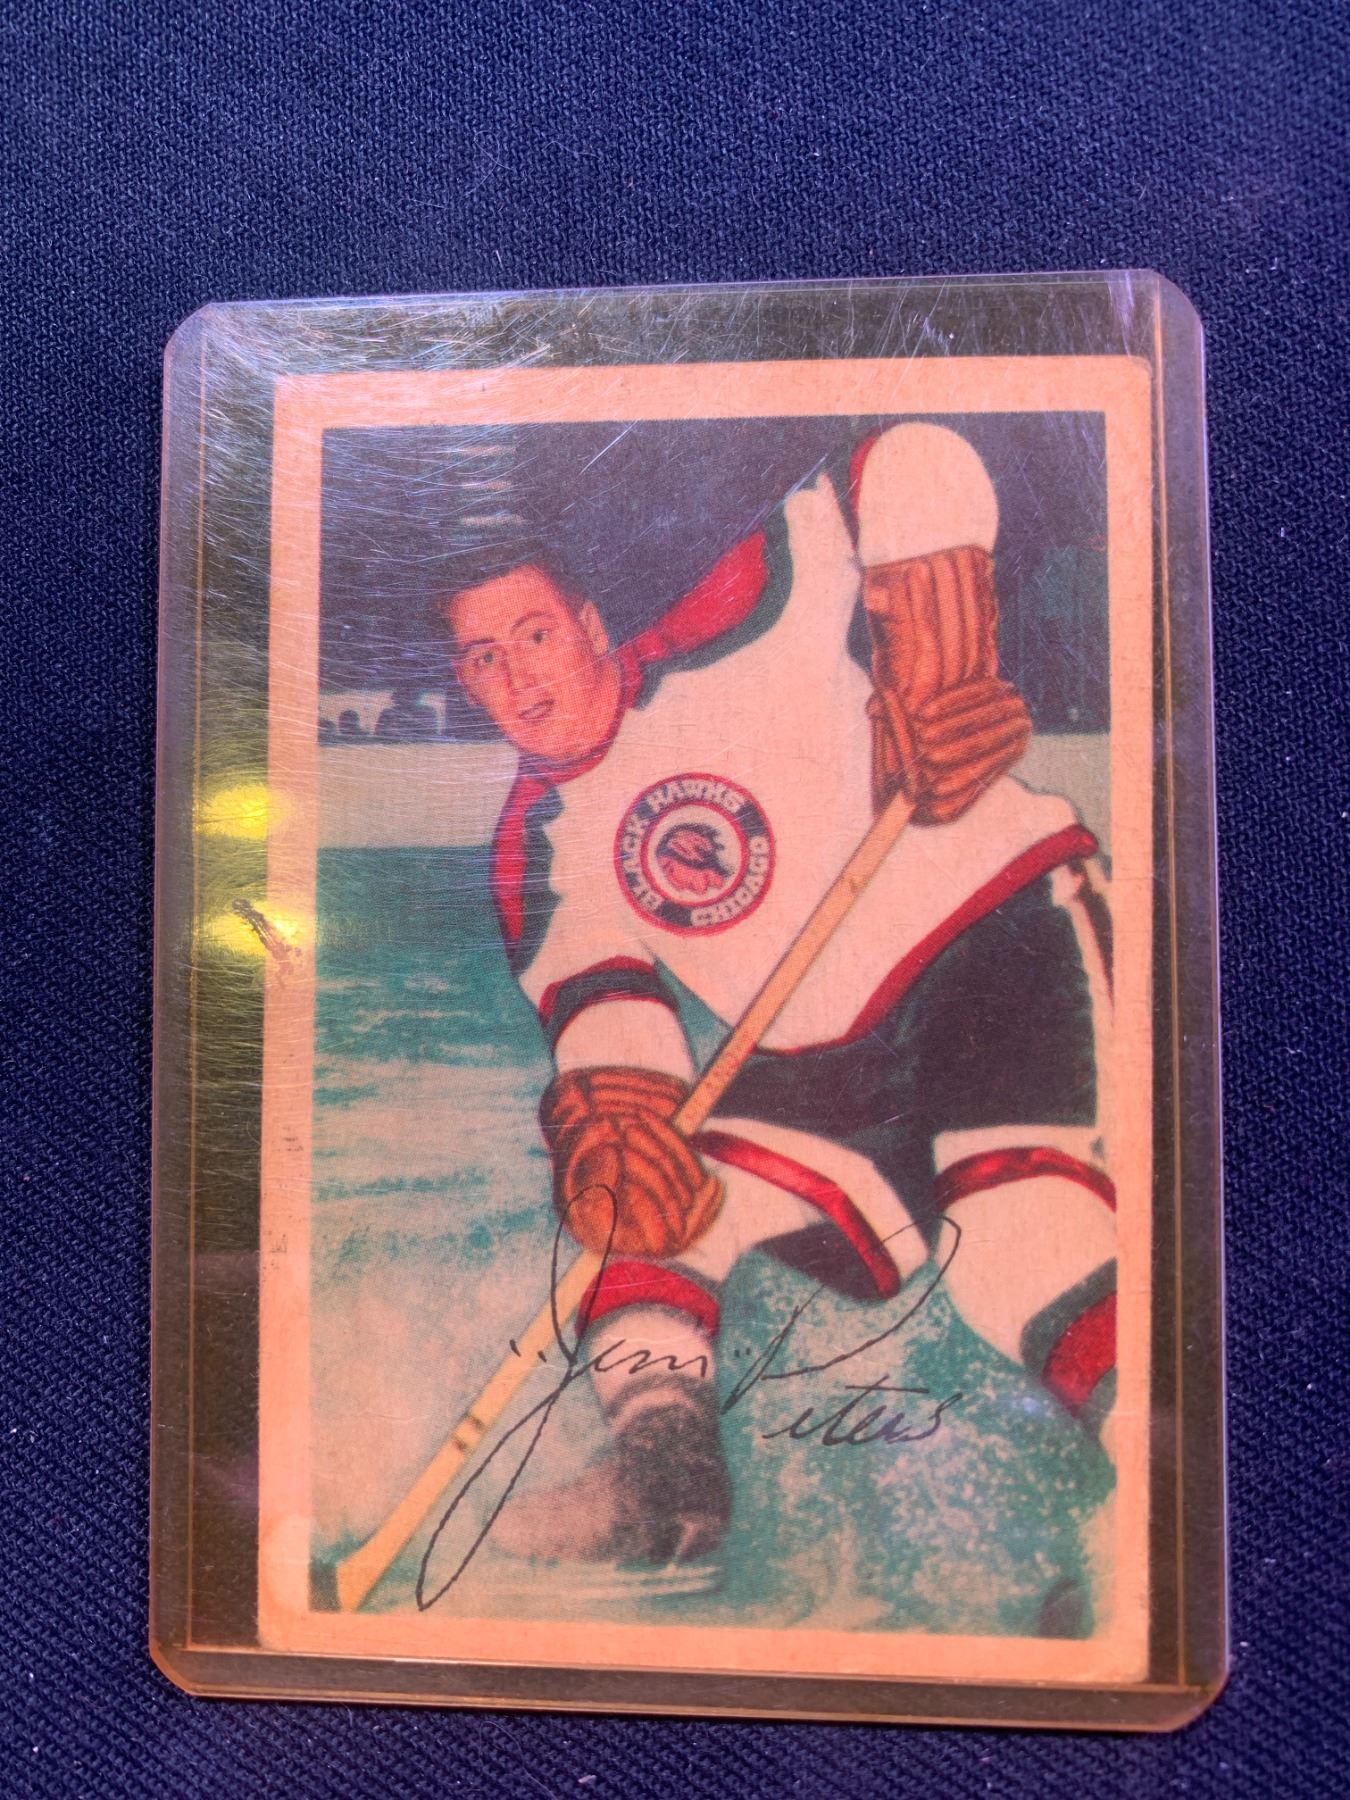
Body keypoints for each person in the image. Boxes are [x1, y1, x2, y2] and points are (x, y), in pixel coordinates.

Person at [439, 424, 1116, 1571]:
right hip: (827, 1060)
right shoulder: (536, 844)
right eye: (483, 659)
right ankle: (666, 1476)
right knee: (658, 1210)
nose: (519, 677)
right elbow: (612, 1019)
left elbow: (900, 455)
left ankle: (1163, 1493)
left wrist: (935, 626)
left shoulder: (729, 629)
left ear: (591, 625)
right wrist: (619, 1115)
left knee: (1018, 1245)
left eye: (536, 634)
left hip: (999, 943)